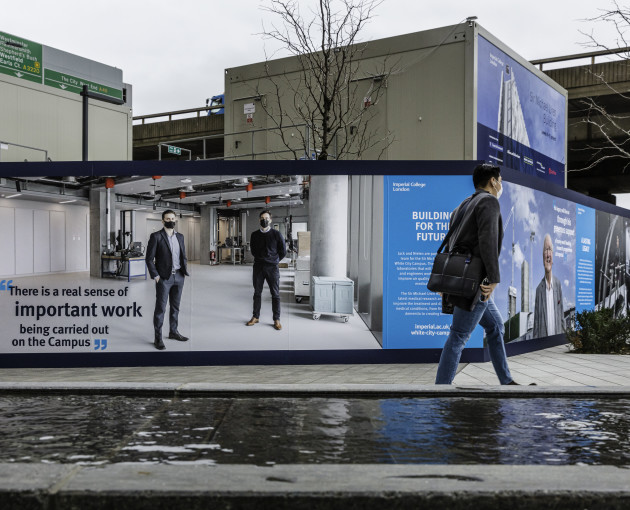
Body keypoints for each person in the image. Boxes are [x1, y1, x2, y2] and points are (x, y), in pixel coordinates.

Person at [435, 163, 517, 385]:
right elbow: (488, 243)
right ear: (493, 181)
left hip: (461, 278)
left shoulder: (463, 205)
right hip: (476, 283)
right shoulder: (489, 202)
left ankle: (506, 382)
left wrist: (447, 283)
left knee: (496, 326)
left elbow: (452, 243)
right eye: (500, 180)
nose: (501, 185)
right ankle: (440, 392)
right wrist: (493, 279)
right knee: (458, 337)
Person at [145, 210, 190, 350]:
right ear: (162, 221)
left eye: (172, 218)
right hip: (164, 278)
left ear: (175, 220)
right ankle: (158, 338)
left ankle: (173, 332)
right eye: (167, 218)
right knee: (161, 309)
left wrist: (184, 270)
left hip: (179, 276)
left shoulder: (180, 237)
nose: (170, 220)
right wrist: (156, 276)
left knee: (175, 307)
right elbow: (149, 259)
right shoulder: (156, 236)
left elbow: (182, 255)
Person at [246, 210, 286, 330]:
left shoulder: (276, 234)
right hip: (258, 267)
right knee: (257, 293)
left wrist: (274, 260)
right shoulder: (254, 235)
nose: (265, 220)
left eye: (267, 218)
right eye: (262, 218)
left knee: (275, 294)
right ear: (259, 220)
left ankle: (276, 319)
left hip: (272, 268)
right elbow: (253, 250)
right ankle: (255, 316)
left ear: (270, 220)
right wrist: (261, 258)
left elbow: (283, 251)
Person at [533, 234, 564, 338]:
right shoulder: (538, 290)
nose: (547, 254)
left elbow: (562, 319)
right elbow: (536, 326)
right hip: (543, 347)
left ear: (553, 255)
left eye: (550, 249)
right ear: (542, 258)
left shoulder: (558, 284)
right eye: (545, 250)